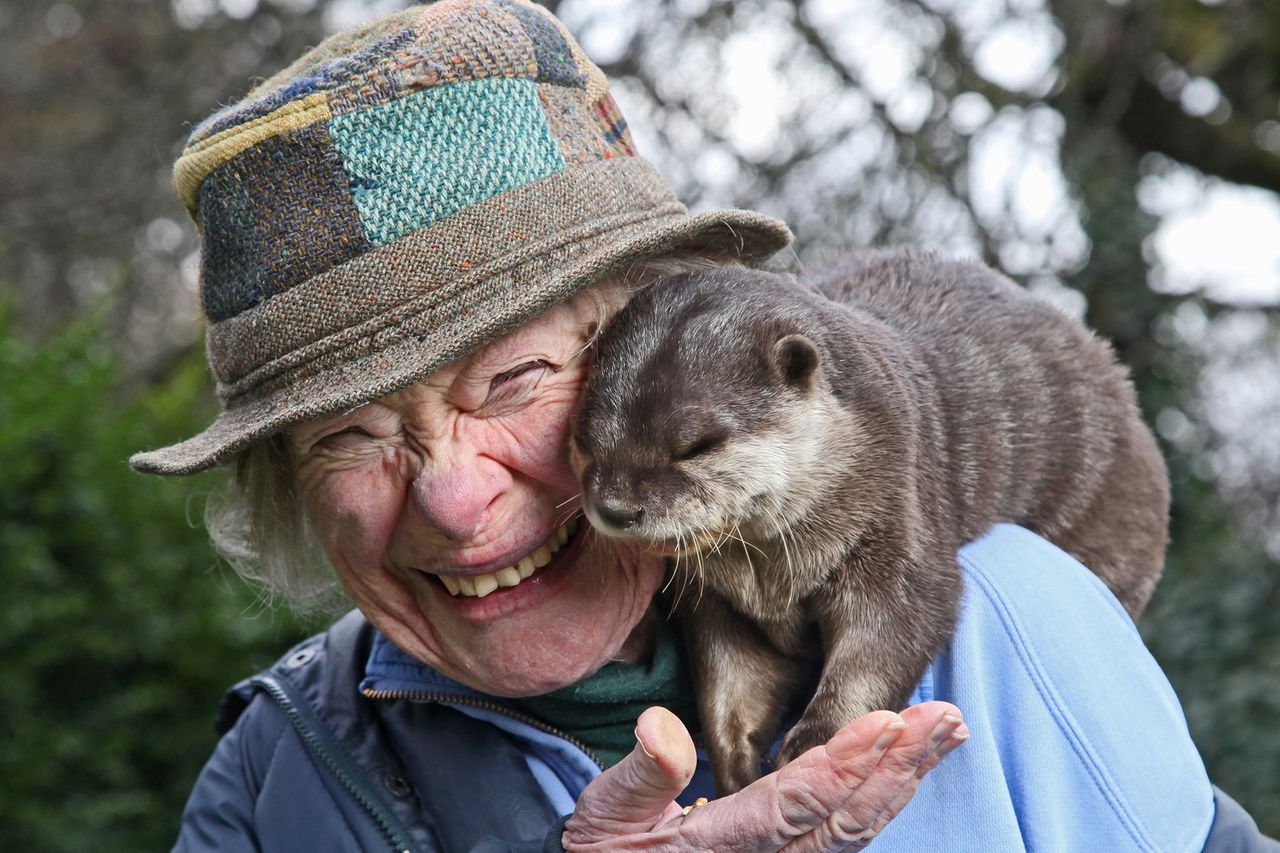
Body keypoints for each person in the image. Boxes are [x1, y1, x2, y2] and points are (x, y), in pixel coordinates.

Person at [131, 1, 1277, 850]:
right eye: (350, 436)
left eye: (511, 382)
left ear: (654, 336)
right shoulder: (279, 775)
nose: (451, 499)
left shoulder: (1011, 629)